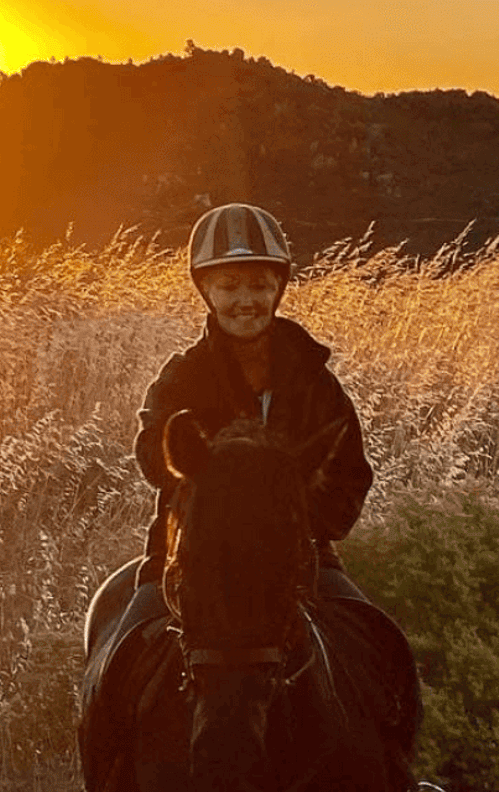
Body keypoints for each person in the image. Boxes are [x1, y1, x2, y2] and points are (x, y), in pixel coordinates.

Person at [133, 201, 374, 599]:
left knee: (376, 639)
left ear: (278, 288)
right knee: (127, 643)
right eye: (229, 286)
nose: (245, 300)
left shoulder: (316, 380)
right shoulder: (181, 377)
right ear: (205, 289)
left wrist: (288, 519)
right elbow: (152, 455)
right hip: (189, 555)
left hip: (300, 558)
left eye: (260, 284)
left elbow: (351, 474)